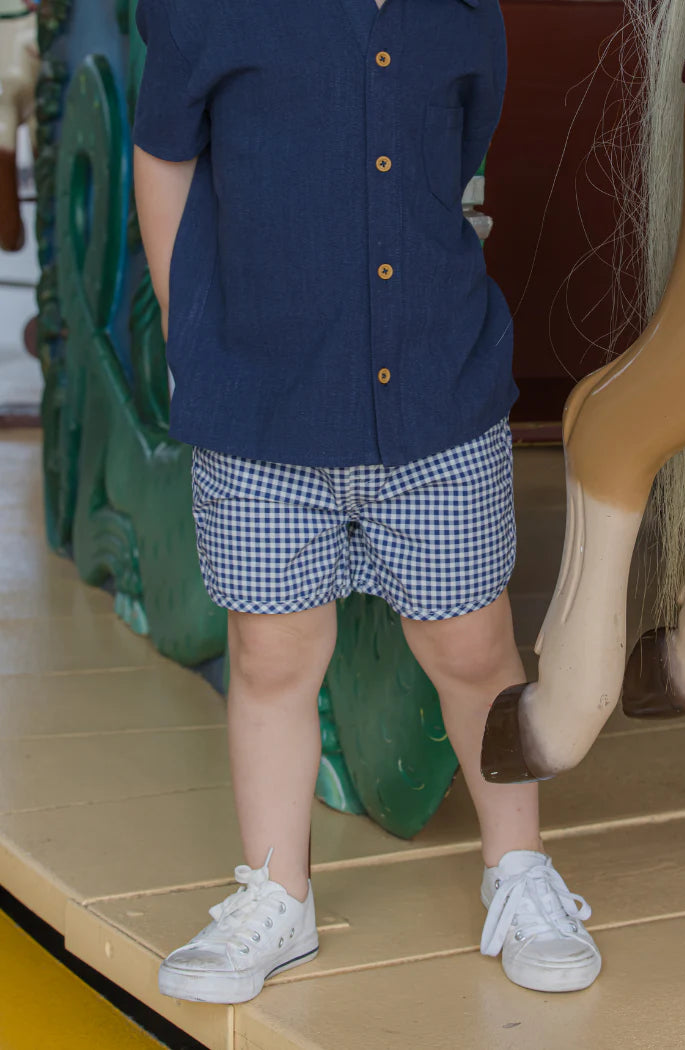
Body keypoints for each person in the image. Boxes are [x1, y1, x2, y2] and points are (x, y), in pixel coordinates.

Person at [132, 0, 601, 1004]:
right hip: (259, 405)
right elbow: (163, 155)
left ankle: (516, 872)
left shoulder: (462, 13)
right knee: (270, 655)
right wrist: (188, 334)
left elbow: (457, 147)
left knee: (472, 649)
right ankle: (275, 893)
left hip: (435, 393)